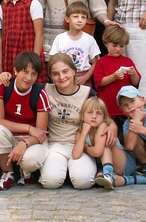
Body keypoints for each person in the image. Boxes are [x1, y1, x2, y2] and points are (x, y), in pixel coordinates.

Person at [37, 53, 115, 190]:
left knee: (83, 182)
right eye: (55, 74)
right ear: (50, 75)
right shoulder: (44, 90)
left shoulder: (88, 93)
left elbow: (105, 117)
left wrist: (113, 126)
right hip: (55, 145)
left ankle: (75, 170)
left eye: (65, 71)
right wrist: (5, 77)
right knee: (51, 182)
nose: (61, 77)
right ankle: (61, 170)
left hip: (81, 145)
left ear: (74, 71)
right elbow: (21, 85)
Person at [0, 51, 50, 191]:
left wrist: (25, 142)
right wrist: (28, 128)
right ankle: (8, 173)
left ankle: (26, 173)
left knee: (31, 160)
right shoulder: (3, 86)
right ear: (15, 70)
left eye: (33, 74)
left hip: (32, 140)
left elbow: (40, 133)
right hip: (10, 135)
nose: (28, 77)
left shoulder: (39, 93)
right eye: (25, 72)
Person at [72, 96, 146, 189]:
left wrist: (86, 148)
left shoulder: (103, 126)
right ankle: (136, 179)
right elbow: (76, 155)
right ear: (82, 116)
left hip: (124, 163)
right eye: (89, 113)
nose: (94, 116)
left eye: (98, 113)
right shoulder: (81, 132)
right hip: (105, 165)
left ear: (104, 117)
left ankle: (108, 173)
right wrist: (84, 133)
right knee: (101, 180)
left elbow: (98, 152)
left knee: (105, 145)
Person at [0, 0, 47, 84]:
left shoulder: (33, 3)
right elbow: (3, 35)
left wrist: (35, 59)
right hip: (10, 53)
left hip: (28, 49)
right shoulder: (4, 5)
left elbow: (39, 33)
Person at [92, 25, 141, 130]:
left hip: (127, 110)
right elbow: (99, 82)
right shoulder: (101, 62)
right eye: (114, 45)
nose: (118, 49)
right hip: (108, 109)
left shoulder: (128, 61)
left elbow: (135, 83)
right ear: (106, 43)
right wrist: (113, 77)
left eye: (122, 46)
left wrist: (134, 74)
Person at [49, 1, 101, 88]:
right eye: (76, 17)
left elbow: (95, 63)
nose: (80, 20)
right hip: (63, 75)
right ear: (67, 19)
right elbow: (53, 60)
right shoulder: (60, 38)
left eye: (83, 17)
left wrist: (86, 77)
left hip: (83, 75)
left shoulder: (89, 39)